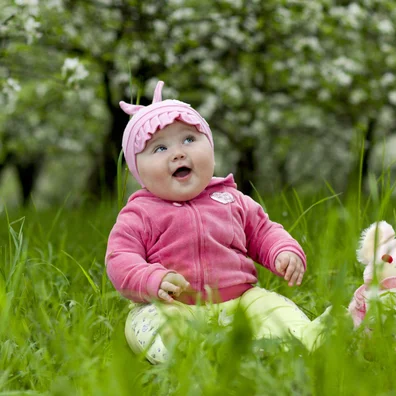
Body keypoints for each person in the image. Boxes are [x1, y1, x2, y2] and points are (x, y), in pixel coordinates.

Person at [105, 81, 329, 364]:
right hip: (176, 305)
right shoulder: (140, 213)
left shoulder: (231, 199)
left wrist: (283, 251)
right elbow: (119, 258)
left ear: (210, 147)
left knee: (270, 306)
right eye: (159, 148)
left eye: (189, 140)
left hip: (240, 300)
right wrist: (152, 279)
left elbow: (263, 231)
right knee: (151, 323)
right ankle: (187, 351)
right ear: (138, 170)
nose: (178, 153)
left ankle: (302, 338)